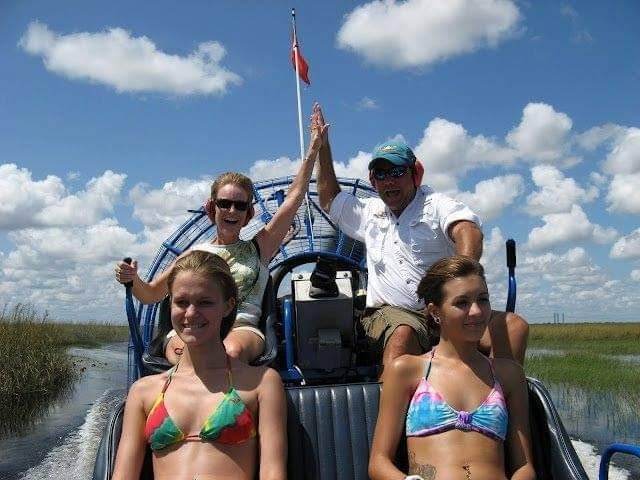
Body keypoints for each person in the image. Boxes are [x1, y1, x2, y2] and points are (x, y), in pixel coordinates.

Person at [314, 106, 529, 368]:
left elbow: (466, 230)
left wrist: (459, 286)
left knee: (514, 327)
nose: (389, 181)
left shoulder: (436, 204)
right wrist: (323, 148)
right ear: (373, 181)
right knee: (403, 334)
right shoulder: (368, 212)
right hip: (393, 314)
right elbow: (329, 198)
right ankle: (390, 408)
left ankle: (497, 401)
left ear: (415, 174)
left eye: (397, 172)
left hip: (446, 310)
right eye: (381, 175)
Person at [116, 104, 329, 363]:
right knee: (184, 353)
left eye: (240, 205)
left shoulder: (260, 247)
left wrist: (313, 149)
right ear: (211, 207)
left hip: (240, 329)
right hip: (192, 327)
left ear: (248, 214)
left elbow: (294, 198)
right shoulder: (194, 255)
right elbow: (150, 294)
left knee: (228, 353)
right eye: (224, 203)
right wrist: (131, 278)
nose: (232, 210)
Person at [112, 251, 287, 480]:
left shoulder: (262, 383)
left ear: (227, 306)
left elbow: (273, 473)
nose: (191, 313)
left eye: (205, 302)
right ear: (170, 306)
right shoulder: (143, 391)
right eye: (182, 302)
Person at [369, 256, 535, 480]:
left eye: (483, 300)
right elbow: (379, 463)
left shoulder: (508, 374)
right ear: (435, 312)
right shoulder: (407, 370)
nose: (476, 311)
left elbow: (524, 467)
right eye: (462, 302)